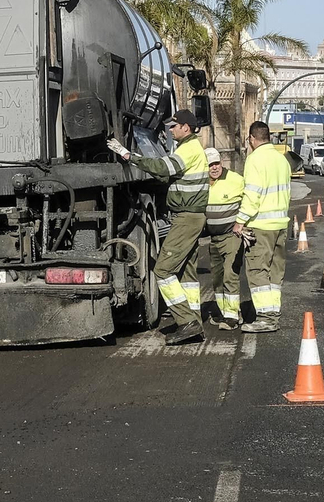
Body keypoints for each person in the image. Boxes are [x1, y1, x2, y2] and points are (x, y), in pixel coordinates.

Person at [109, 109, 210, 345]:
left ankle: (187, 322)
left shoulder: (188, 149)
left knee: (163, 270)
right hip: (191, 217)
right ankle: (193, 321)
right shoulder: (192, 148)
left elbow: (162, 169)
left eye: (174, 126)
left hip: (187, 217)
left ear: (186, 127)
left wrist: (128, 155)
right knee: (186, 272)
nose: (171, 130)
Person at [233, 120, 292, 333]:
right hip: (280, 225)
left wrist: (240, 221)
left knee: (258, 270)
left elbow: (253, 194)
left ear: (251, 139)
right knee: (275, 274)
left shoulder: (255, 159)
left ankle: (266, 318)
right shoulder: (281, 159)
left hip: (261, 226)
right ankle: (273, 312)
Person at [202, 146, 246, 329]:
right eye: (210, 164)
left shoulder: (236, 180)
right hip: (214, 239)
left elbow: (250, 200)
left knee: (230, 273)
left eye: (217, 163)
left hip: (232, 236)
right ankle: (222, 312)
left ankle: (232, 316)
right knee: (217, 278)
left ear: (222, 163)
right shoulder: (203, 184)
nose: (214, 168)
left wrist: (243, 223)